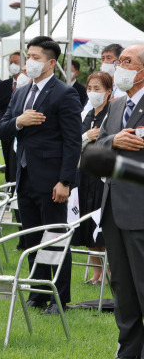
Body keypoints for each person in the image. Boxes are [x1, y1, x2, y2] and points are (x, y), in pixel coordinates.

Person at [0, 36, 82, 315]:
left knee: (55, 237)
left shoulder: (64, 93)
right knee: (31, 237)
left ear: (51, 62)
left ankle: (60, 296)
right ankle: (38, 292)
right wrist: (19, 121)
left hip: (52, 179)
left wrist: (65, 181)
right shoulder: (21, 92)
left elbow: (72, 141)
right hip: (25, 175)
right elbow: (3, 127)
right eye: (28, 56)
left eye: (35, 57)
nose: (29, 62)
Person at [95, 44, 144, 358]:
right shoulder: (115, 106)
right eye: (119, 61)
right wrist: (113, 140)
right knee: (123, 290)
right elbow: (98, 145)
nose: (119, 66)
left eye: (127, 61)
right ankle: (128, 350)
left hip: (140, 210)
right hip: (112, 209)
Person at [72, 71, 112, 284]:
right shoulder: (84, 115)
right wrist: (86, 137)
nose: (92, 93)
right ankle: (96, 272)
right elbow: (73, 145)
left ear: (108, 91)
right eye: (89, 88)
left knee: (102, 225)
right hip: (84, 175)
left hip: (102, 177)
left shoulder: (112, 113)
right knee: (88, 225)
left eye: (97, 89)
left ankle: (109, 273)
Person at [0, 52, 21, 183]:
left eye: (16, 62)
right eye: (11, 62)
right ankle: (10, 183)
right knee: (9, 161)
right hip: (7, 127)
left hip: (20, 128)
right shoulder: (5, 84)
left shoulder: (27, 84)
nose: (13, 65)